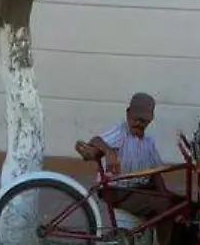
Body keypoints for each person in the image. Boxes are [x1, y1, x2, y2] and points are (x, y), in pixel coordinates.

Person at [77, 93, 189, 245]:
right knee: (163, 206)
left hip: (139, 187)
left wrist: (166, 195)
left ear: (151, 119)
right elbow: (96, 141)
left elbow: (156, 173)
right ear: (128, 113)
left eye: (144, 121)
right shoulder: (121, 132)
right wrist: (109, 152)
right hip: (117, 190)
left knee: (182, 203)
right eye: (136, 119)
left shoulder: (148, 142)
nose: (139, 124)